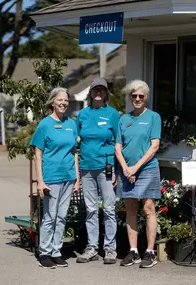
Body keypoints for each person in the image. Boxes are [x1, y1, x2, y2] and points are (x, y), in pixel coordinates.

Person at [30, 87, 80, 269]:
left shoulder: (71, 124)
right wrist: (40, 181)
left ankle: (56, 251)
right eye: (60, 100)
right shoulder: (44, 125)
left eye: (66, 100)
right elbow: (38, 154)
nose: (63, 103)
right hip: (51, 177)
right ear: (52, 102)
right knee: (50, 216)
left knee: (62, 216)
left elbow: (74, 152)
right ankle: (44, 252)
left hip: (68, 177)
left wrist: (77, 178)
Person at [115, 80, 161, 269]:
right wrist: (126, 168)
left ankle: (150, 252)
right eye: (134, 96)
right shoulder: (124, 119)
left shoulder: (153, 117)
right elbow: (118, 147)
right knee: (131, 209)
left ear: (146, 97)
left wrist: (135, 168)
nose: (137, 99)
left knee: (148, 208)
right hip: (126, 171)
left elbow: (155, 146)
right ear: (130, 97)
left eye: (141, 96)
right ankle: (133, 251)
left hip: (148, 169)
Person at [76, 78, 120, 264]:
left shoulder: (112, 114)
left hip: (107, 167)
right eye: (95, 89)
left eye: (102, 89)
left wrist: (116, 169)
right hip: (86, 168)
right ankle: (92, 247)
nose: (98, 92)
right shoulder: (82, 115)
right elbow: (76, 140)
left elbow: (118, 143)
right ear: (90, 93)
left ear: (106, 93)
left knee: (109, 208)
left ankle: (110, 248)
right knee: (91, 209)